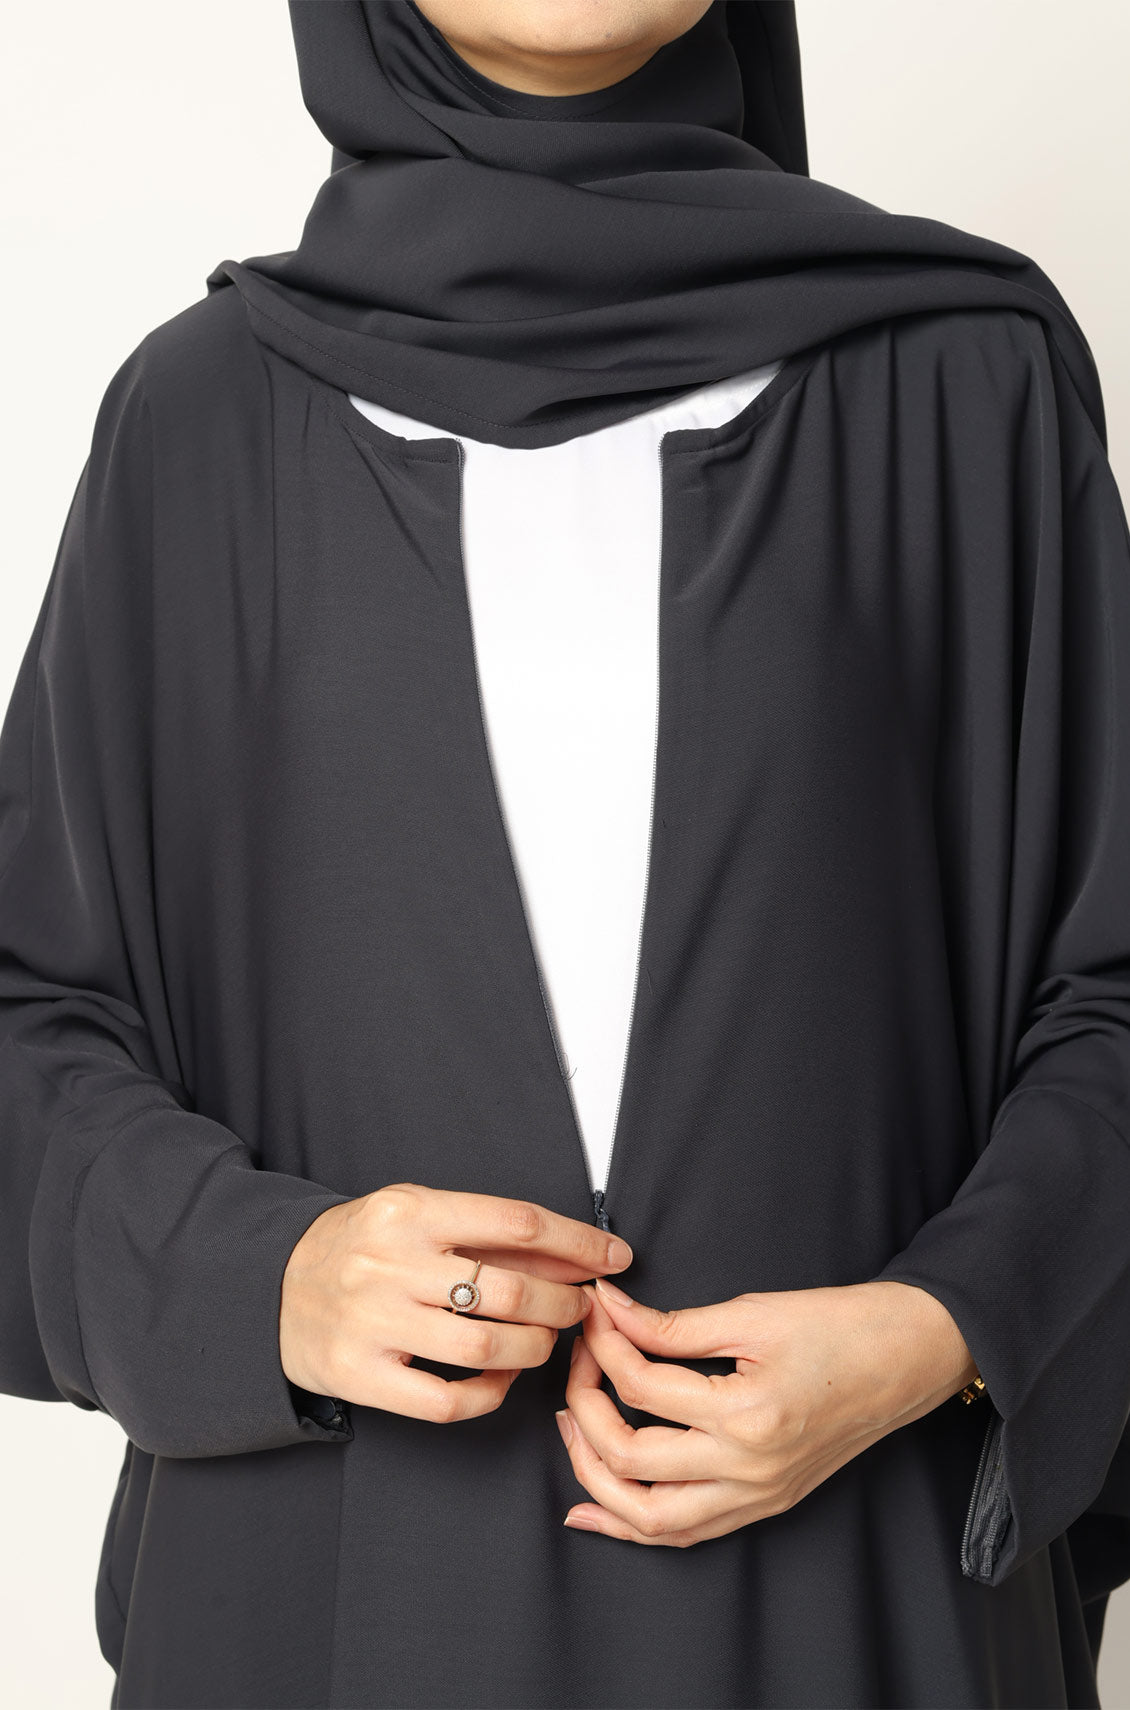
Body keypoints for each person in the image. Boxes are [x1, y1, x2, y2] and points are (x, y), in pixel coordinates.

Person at [2, 3, 1129, 1706]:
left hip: (849, 1603)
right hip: (335, 1609)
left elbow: (1107, 986)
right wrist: (264, 1278)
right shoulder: (198, 421)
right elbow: (30, 1025)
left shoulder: (965, 383)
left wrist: (942, 1332)